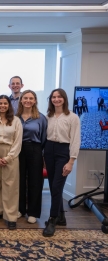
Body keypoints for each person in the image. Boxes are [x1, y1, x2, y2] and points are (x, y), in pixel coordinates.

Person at [43, 88, 80, 237]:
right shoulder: (48, 117)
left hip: (63, 152)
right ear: (51, 99)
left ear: (64, 99)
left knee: (57, 186)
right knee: (53, 186)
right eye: (53, 97)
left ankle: (52, 219)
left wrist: (71, 161)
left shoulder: (72, 117)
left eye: (59, 97)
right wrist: (44, 157)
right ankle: (62, 217)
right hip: (49, 150)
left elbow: (76, 140)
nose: (56, 99)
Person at [0, 95, 23, 230]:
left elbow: (18, 141)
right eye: (0, 103)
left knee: (10, 185)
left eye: (5, 103)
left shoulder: (16, 121)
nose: (2, 105)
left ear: (9, 105)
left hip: (11, 153)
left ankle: (10, 216)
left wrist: (8, 157)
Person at [16, 90, 47, 224]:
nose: (28, 100)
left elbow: (44, 138)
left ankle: (33, 212)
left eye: (31, 98)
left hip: (35, 149)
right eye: (25, 98)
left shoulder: (41, 117)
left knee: (35, 181)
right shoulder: (15, 117)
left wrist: (43, 156)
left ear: (34, 101)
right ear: (21, 100)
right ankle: (20, 209)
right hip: (18, 150)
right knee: (19, 180)